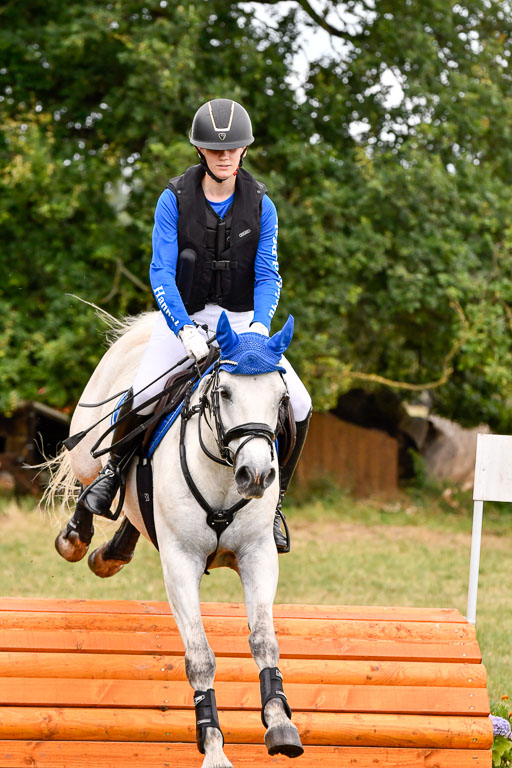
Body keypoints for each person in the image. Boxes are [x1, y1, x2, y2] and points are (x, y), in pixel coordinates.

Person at [77, 98, 312, 552]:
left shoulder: (262, 204)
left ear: (244, 150)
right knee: (143, 394)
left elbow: (268, 275)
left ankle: (275, 502)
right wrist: (182, 327)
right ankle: (111, 476)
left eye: (232, 148)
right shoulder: (174, 199)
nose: (224, 156)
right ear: (200, 150)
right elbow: (161, 272)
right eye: (215, 149)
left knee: (300, 403)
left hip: (243, 323)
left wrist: (259, 326)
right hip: (184, 318)